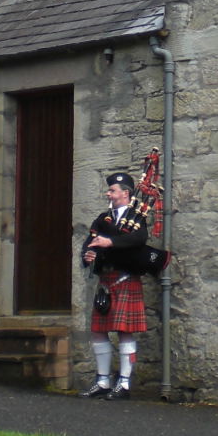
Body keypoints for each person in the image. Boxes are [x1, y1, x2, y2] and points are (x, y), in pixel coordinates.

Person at [78, 171, 150, 401]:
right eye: (109, 190)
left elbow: (138, 240)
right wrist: (88, 256)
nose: (108, 193)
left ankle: (125, 384)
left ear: (126, 193)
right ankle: (102, 381)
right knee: (98, 331)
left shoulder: (137, 217)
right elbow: (88, 244)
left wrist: (110, 241)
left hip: (126, 278)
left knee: (124, 332)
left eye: (112, 190)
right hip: (106, 281)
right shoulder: (102, 219)